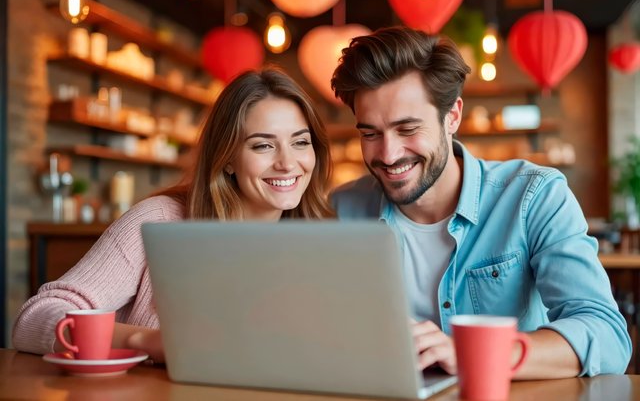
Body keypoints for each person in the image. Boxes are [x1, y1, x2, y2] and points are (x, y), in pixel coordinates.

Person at [329, 26, 631, 378]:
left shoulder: (533, 196)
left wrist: (476, 354)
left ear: (452, 116)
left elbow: (608, 337)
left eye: (408, 129)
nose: (389, 153)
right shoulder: (341, 210)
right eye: (370, 134)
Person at [13, 68, 333, 362]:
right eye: (263, 146)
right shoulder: (159, 221)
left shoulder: (323, 244)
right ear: (228, 159)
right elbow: (35, 320)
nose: (288, 163)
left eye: (300, 142)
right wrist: (148, 340)